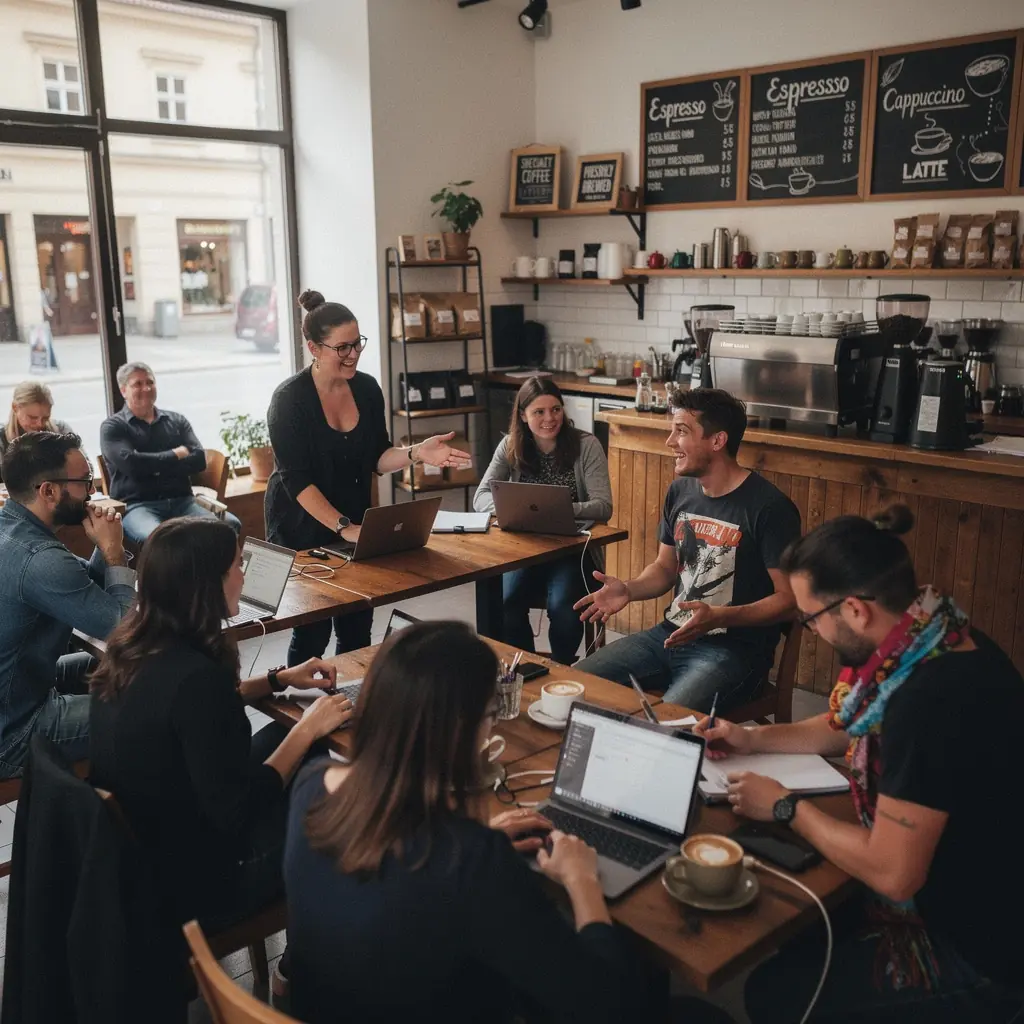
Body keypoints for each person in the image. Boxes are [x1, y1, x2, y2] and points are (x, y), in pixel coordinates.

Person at [695, 507, 1024, 1023]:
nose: (814, 630)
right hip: (975, 885)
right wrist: (749, 737)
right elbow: (847, 724)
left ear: (854, 610)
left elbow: (894, 874)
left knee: (773, 994)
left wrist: (786, 807)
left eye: (811, 619)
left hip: (983, 949)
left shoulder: (928, 703)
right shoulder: (931, 638)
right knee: (800, 922)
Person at [284, 620, 632, 1023]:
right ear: (461, 729)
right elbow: (601, 1002)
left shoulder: (310, 786)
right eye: (490, 712)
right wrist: (582, 881)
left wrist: (477, 840)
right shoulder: (469, 861)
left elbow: (399, 881)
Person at [88, 516, 354, 936]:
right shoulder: (197, 680)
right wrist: (307, 729)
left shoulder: (133, 647)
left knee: (297, 745)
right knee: (332, 800)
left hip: (153, 849)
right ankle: (305, 957)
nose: (244, 575)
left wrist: (277, 680)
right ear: (207, 585)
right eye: (236, 566)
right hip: (204, 883)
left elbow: (186, 716)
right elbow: (237, 810)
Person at [266, 290, 470, 666]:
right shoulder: (288, 400)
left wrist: (417, 452)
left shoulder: (366, 388)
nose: (353, 355)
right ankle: (296, 713)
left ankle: (351, 702)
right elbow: (296, 482)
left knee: (357, 621)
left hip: (353, 518)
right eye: (342, 348)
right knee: (312, 629)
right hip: (300, 522)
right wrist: (344, 527)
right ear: (314, 347)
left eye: (356, 344)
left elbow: (378, 455)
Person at [574, 388, 800, 713]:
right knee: (572, 684)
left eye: (681, 431)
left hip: (732, 652)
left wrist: (721, 617)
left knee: (664, 724)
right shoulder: (681, 491)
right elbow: (665, 568)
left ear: (717, 441)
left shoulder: (770, 508)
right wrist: (629, 589)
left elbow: (790, 601)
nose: (669, 442)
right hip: (668, 635)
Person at [0, 431, 134, 777]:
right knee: (153, 713)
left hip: (18, 687)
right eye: (85, 482)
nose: (92, 493)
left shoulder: (13, 531)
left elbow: (82, 585)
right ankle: (116, 819)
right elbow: (123, 628)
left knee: (108, 670)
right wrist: (114, 552)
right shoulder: (41, 559)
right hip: (13, 731)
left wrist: (103, 547)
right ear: (48, 491)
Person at [473, 376, 612, 665]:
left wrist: (560, 508)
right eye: (539, 412)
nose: (550, 418)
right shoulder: (510, 445)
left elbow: (603, 506)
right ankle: (527, 666)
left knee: (564, 606)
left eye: (556, 409)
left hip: (572, 550)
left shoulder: (586, 445)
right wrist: (511, 507)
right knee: (506, 602)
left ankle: (562, 667)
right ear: (523, 416)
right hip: (523, 547)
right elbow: (481, 497)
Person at [99, 361, 241, 544]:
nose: (147, 388)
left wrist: (148, 465)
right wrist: (175, 455)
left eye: (150, 382)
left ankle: (210, 573)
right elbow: (131, 465)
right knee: (158, 540)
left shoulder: (177, 421)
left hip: (183, 502)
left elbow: (198, 460)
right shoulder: (113, 426)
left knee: (228, 526)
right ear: (123, 390)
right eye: (138, 384)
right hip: (138, 506)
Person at [0, 381, 82, 476]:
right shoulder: (2, 442)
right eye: (32, 418)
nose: (39, 424)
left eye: (45, 418)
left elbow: (84, 470)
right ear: (15, 408)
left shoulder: (62, 431)